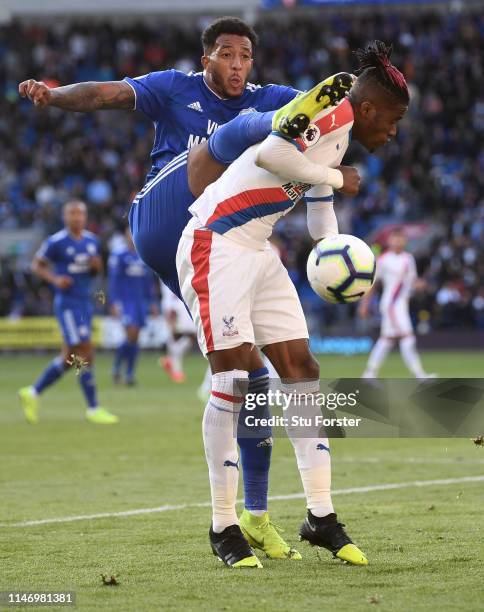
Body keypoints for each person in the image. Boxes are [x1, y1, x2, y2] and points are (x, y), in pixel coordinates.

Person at [18, 16, 351, 559]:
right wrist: (54, 97)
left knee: (253, 378)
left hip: (220, 243)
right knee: (230, 145)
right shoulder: (174, 89)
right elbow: (104, 94)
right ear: (207, 60)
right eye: (225, 54)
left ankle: (257, 515)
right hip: (164, 214)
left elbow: (330, 111)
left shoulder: (277, 95)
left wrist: (351, 113)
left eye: (245, 55)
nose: (237, 63)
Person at [177, 40, 409, 567]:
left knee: (302, 369)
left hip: (257, 249)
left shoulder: (343, 129)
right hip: (217, 240)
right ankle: (223, 526)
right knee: (233, 379)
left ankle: (320, 517)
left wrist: (336, 252)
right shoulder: (330, 102)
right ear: (369, 107)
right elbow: (271, 154)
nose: (392, 133)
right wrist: (335, 177)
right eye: (391, 121)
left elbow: (319, 205)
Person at [18, 201, 118, 424]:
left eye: (80, 213)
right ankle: (93, 408)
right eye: (72, 213)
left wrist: (95, 267)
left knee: (68, 358)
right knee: (84, 351)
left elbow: (97, 270)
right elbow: (37, 265)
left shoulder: (92, 240)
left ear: (85, 216)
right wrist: (55, 279)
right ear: (65, 217)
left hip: (84, 303)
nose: (77, 217)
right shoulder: (57, 242)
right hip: (68, 304)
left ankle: (32, 393)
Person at [359, 228, 436, 378]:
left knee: (387, 340)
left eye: (401, 238)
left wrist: (420, 284)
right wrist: (364, 304)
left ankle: (369, 374)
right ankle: (420, 375)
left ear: (405, 241)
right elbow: (373, 284)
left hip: (402, 303)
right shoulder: (383, 259)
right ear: (389, 241)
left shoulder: (409, 259)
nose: (398, 241)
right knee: (407, 337)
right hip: (392, 304)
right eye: (395, 238)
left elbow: (411, 282)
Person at [108, 227, 158, 385]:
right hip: (125, 301)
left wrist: (152, 302)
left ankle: (129, 374)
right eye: (128, 233)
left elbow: (148, 282)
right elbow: (113, 281)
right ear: (125, 235)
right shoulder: (119, 255)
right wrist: (114, 302)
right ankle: (117, 367)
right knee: (131, 334)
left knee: (135, 339)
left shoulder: (143, 255)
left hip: (140, 302)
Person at [159, 282, 196, 383]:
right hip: (177, 302)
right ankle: (175, 367)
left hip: (179, 301)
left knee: (180, 336)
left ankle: (172, 363)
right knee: (189, 334)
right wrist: (171, 306)